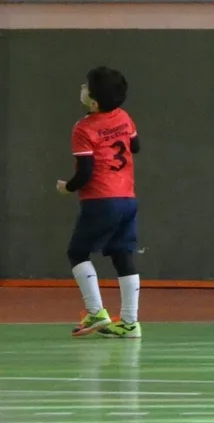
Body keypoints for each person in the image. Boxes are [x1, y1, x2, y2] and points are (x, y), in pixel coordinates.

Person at [58, 66, 142, 339]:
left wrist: (67, 187)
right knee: (122, 255)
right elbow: (135, 146)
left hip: (101, 200)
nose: (81, 88)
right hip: (127, 199)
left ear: (93, 102)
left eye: (86, 87)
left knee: (77, 252)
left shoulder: (84, 128)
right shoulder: (124, 117)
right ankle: (129, 322)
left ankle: (96, 312)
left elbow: (85, 173)